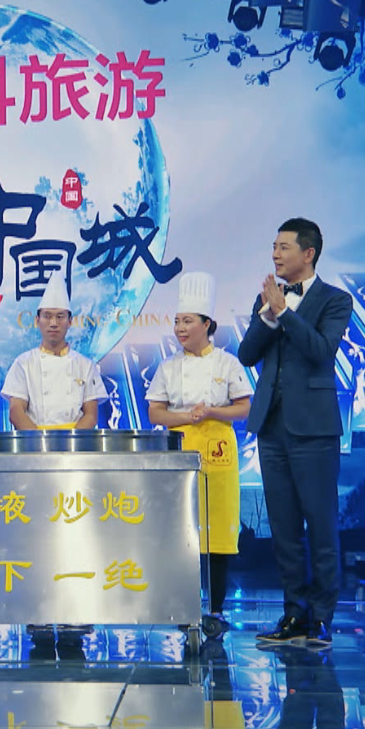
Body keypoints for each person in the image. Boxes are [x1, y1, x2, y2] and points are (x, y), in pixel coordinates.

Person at [237, 217, 352, 648]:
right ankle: (294, 613)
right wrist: (269, 317)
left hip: (314, 429)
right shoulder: (269, 299)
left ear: (309, 253)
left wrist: (285, 314)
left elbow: (321, 350)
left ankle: (321, 616)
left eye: (283, 247)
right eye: (273, 247)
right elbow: (247, 354)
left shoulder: (335, 300)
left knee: (320, 524)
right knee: (283, 527)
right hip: (272, 426)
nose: (275, 254)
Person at [147, 272, 252, 639]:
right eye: (177, 321)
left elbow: (244, 407)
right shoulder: (168, 367)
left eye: (187, 321)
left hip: (219, 453)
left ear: (207, 324)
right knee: (184, 532)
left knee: (218, 533)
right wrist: (186, 418)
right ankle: (186, 605)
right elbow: (155, 413)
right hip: (181, 449)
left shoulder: (227, 363)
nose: (180, 328)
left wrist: (211, 412)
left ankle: (217, 608)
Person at [2, 268, 107, 431]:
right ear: (37, 320)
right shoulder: (23, 363)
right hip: (34, 441)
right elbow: (16, 412)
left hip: (75, 441)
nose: (53, 323)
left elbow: (91, 415)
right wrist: (41, 440)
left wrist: (71, 441)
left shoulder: (85, 365)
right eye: (47, 316)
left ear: (70, 321)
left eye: (60, 317)